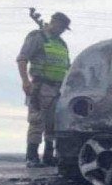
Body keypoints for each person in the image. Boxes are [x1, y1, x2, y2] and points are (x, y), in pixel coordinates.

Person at [16, 12, 71, 168]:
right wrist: (25, 81)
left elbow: (67, 66)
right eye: (61, 26)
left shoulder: (61, 43)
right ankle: (32, 157)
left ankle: (48, 156)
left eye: (64, 28)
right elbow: (22, 59)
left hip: (58, 89)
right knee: (37, 121)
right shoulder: (37, 37)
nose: (62, 30)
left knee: (52, 124)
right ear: (54, 22)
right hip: (40, 87)